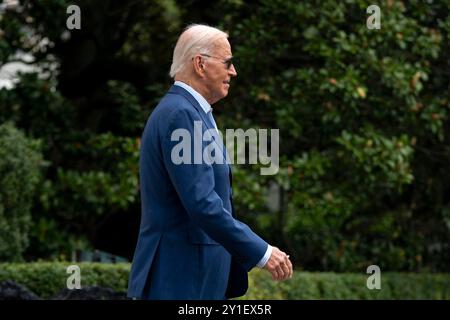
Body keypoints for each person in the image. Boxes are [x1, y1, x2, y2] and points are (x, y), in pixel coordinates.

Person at [127, 24, 293, 300]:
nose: (233, 72)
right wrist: (262, 252)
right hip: (180, 280)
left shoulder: (190, 112)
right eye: (227, 62)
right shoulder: (182, 114)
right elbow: (202, 203)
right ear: (200, 64)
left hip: (191, 279)